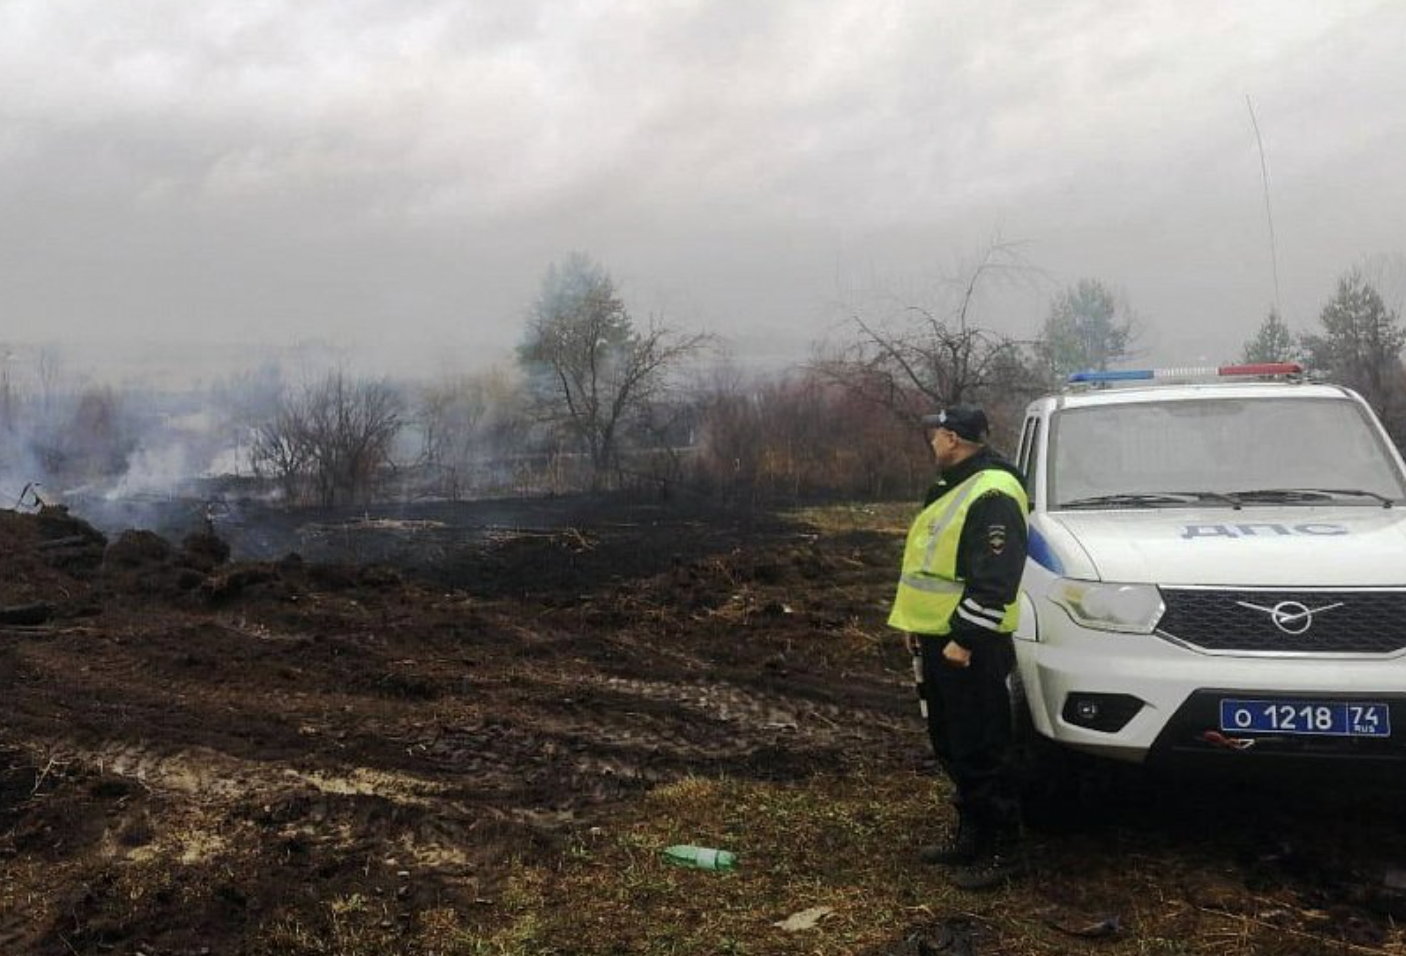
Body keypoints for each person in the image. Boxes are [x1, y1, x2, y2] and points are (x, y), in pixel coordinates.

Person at [889, 405, 1030, 891]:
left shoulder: (992, 492)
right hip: (939, 638)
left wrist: (964, 640)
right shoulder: (957, 484)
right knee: (952, 742)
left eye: (936, 437)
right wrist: (918, 625)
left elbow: (996, 578)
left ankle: (1003, 849)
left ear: (951, 438)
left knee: (984, 744)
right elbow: (935, 566)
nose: (932, 444)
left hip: (970, 645)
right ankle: (972, 833)